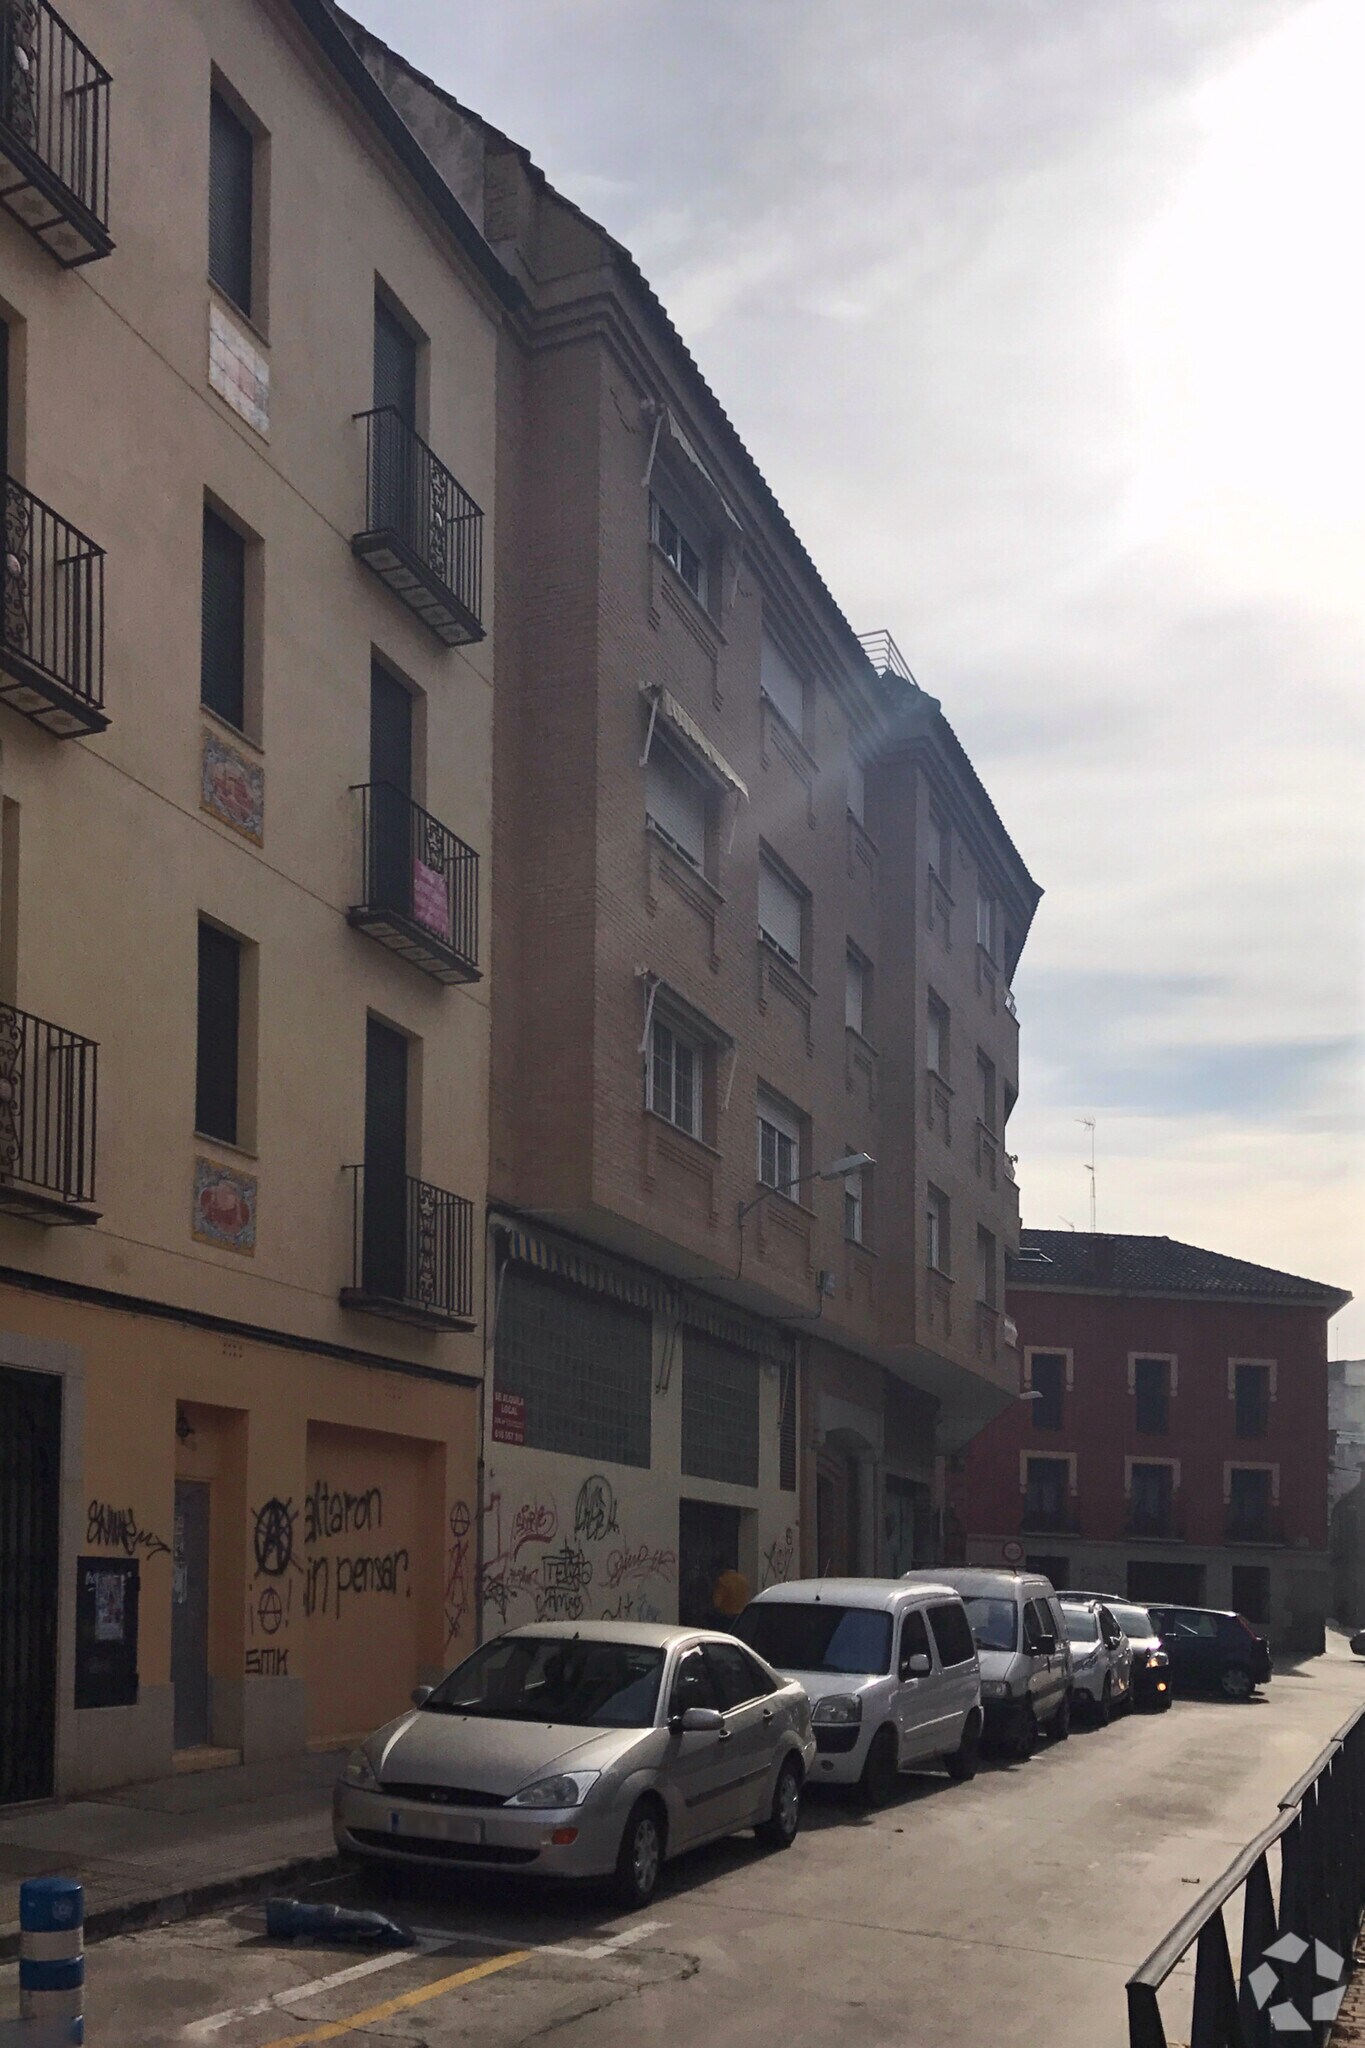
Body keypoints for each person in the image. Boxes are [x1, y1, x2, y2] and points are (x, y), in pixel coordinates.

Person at [707, 1560, 750, 1629]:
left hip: (725, 1617)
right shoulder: (743, 1580)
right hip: (740, 1616)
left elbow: (717, 1602)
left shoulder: (722, 1580)